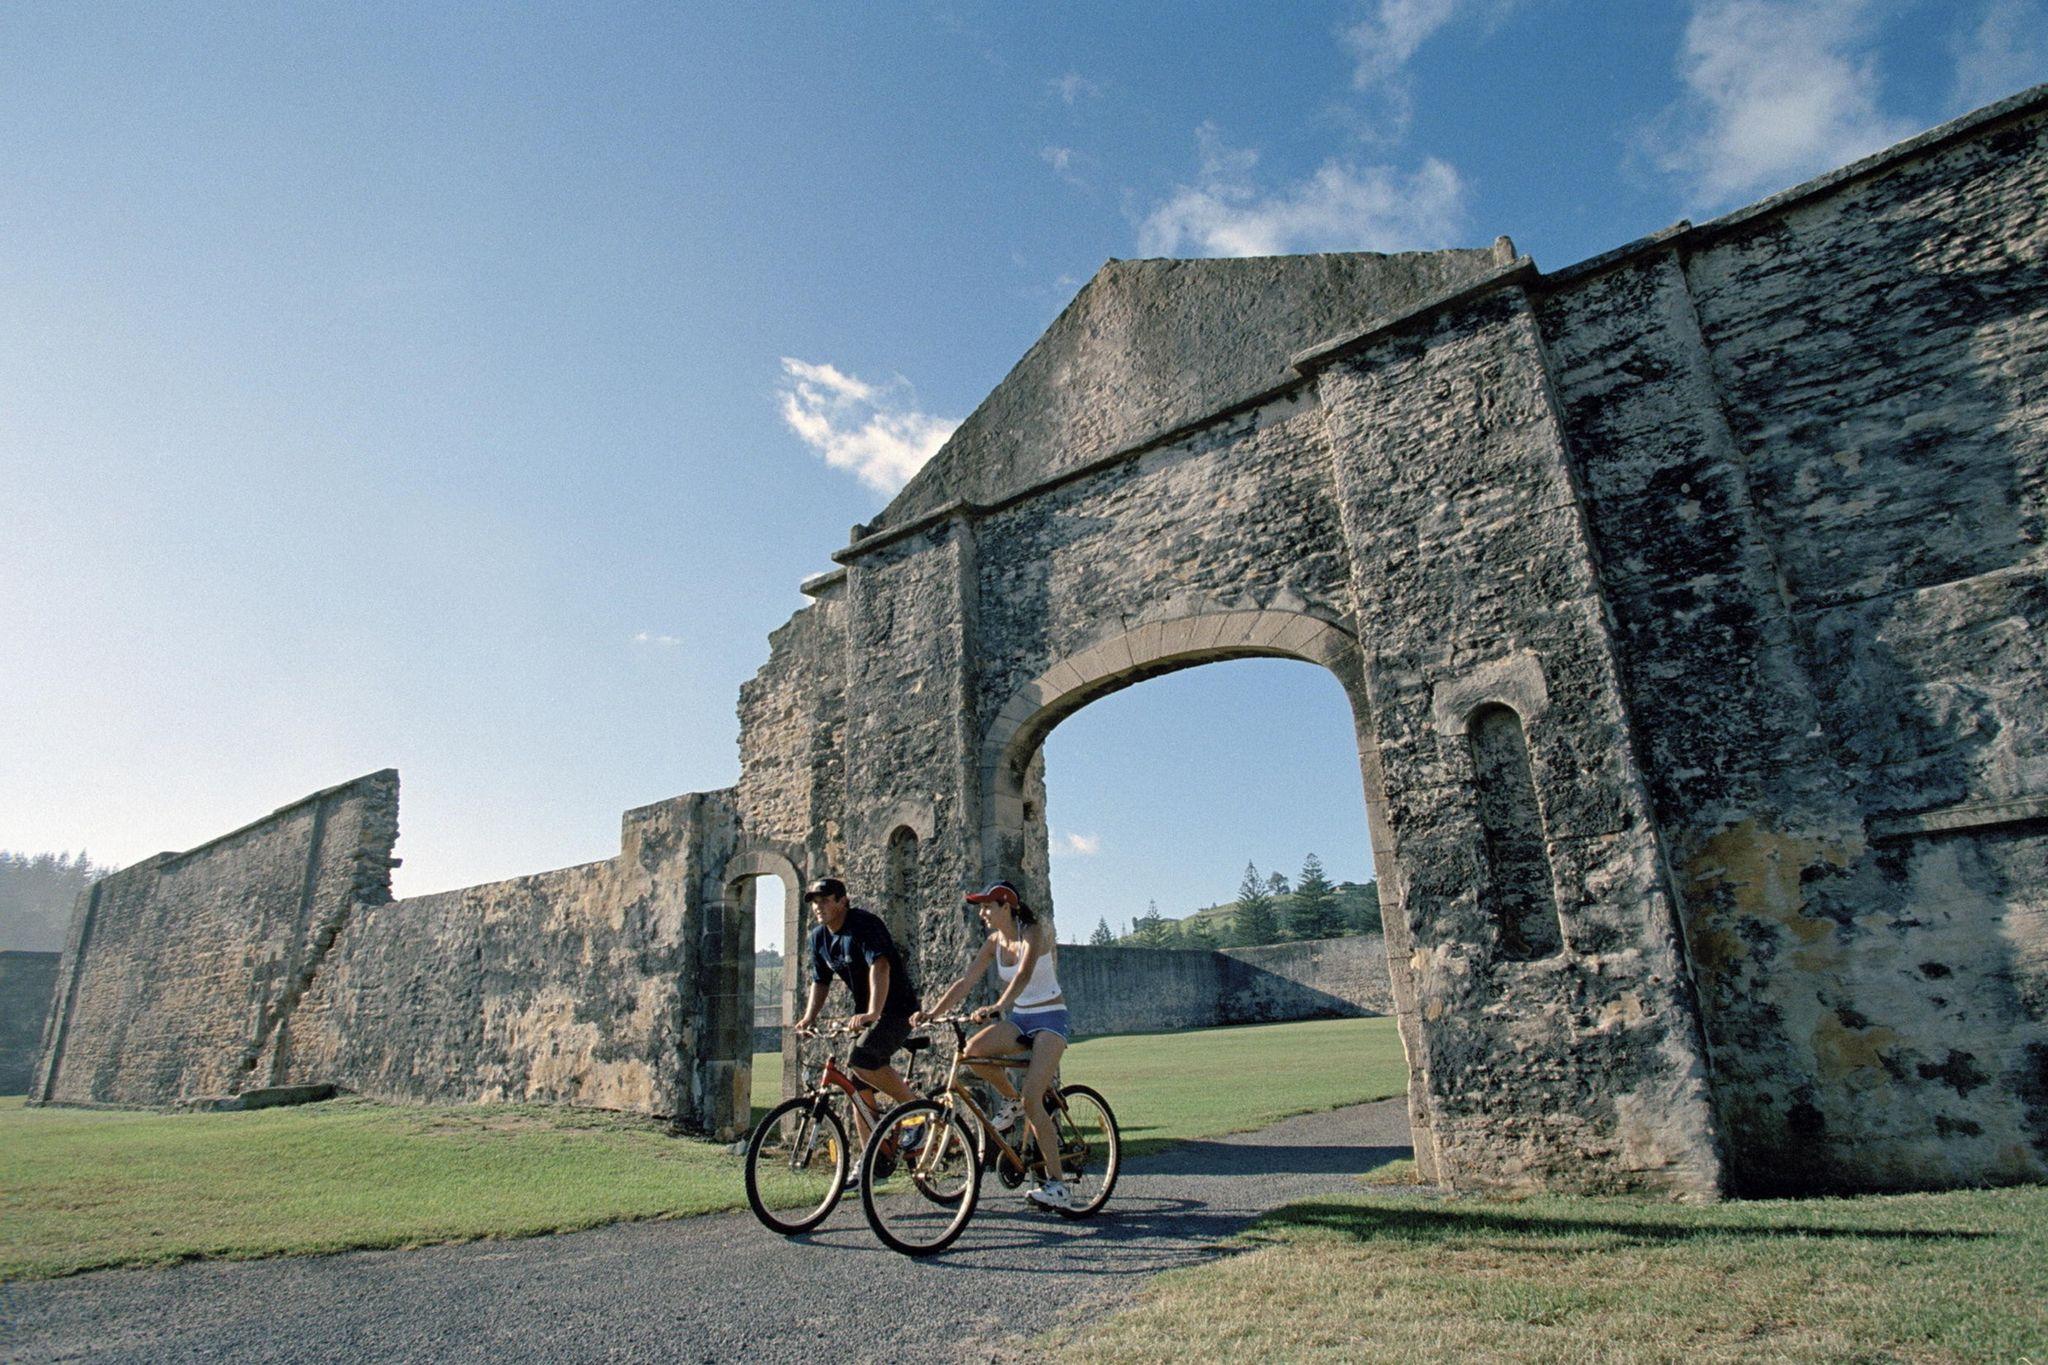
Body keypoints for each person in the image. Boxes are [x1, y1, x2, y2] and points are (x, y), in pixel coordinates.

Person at [915, 879, 1074, 1211]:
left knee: (1035, 1099)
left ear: (1007, 906)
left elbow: (1025, 973)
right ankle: (1012, 1101)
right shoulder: (993, 942)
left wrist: (998, 1005)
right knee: (972, 1053)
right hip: (1021, 1020)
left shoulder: (1032, 930)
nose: (983, 913)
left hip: (1050, 1019)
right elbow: (966, 980)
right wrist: (932, 1013)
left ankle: (1059, 1185)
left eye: (988, 906)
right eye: (981, 907)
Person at [790, 876, 923, 1177]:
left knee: (862, 1059)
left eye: (825, 900)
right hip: (868, 1014)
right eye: (814, 902)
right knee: (856, 1086)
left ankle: (918, 1114)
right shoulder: (818, 938)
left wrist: (874, 1011)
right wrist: (809, 1017)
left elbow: (881, 965)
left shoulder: (864, 924)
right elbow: (820, 981)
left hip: (897, 1010)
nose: (818, 907)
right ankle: (873, 1157)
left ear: (842, 901)